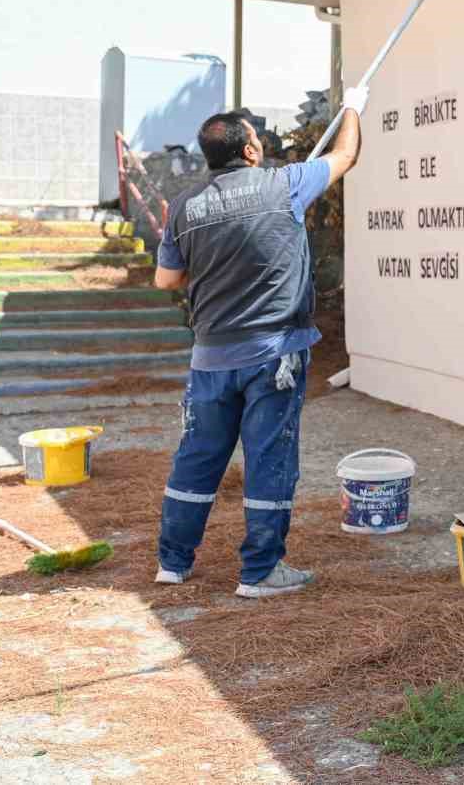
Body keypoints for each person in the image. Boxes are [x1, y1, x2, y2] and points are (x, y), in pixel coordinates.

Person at [152, 90, 366, 597]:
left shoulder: (185, 207)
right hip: (274, 356)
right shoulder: (283, 185)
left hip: (211, 359)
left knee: (198, 457)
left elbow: (166, 280)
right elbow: (345, 156)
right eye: (256, 139)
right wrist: (353, 107)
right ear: (249, 151)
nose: (260, 145)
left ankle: (173, 563)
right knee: (270, 459)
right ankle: (260, 571)